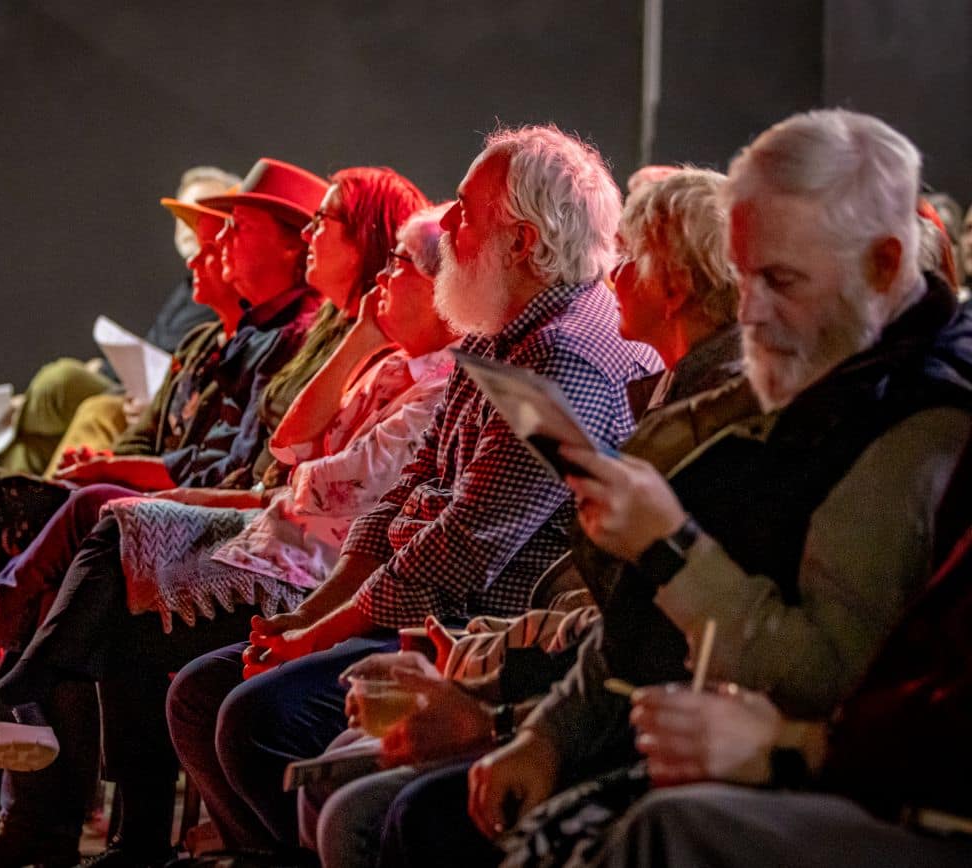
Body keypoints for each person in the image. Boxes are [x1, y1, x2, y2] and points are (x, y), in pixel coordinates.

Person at [378, 108, 972, 868]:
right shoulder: (822, 369)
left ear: (884, 267)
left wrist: (667, 546)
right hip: (669, 724)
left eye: (780, 279)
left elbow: (828, 677)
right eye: (744, 275)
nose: (747, 310)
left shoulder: (918, 422)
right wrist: (545, 734)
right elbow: (638, 622)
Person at [0, 172, 432, 868]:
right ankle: (34, 764)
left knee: (104, 539)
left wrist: (219, 489)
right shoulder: (328, 342)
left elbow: (308, 482)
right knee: (83, 538)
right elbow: (287, 453)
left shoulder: (403, 364)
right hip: (284, 536)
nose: (310, 238)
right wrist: (355, 343)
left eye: (324, 225)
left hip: (308, 566)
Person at [166, 124, 662, 854]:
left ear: (522, 242)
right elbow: (407, 489)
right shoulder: (496, 331)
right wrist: (313, 614)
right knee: (200, 692)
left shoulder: (565, 358)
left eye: (465, 210)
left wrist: (319, 633)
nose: (446, 224)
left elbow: (462, 548)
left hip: (473, 631)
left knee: (255, 718)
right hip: (420, 608)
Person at [301, 167, 750, 868]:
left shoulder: (683, 405)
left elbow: (650, 630)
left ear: (675, 288)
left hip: (601, 695)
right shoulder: (656, 386)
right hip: (528, 649)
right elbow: (409, 486)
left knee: (355, 800)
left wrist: (500, 708)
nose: (611, 275)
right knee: (327, 771)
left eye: (630, 259)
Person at [583, 514, 972, 868]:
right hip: (850, 758)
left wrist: (793, 745)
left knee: (666, 828)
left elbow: (839, 679)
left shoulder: (903, 476)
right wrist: (551, 732)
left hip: (890, 785)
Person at [0, 165, 237, 477]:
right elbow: (158, 354)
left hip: (168, 406)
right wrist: (109, 371)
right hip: (151, 396)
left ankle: (12, 420)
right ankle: (9, 504)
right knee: (29, 446)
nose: (189, 227)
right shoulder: (189, 288)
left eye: (202, 215)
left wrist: (159, 407)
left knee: (69, 385)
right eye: (183, 216)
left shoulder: (227, 295)